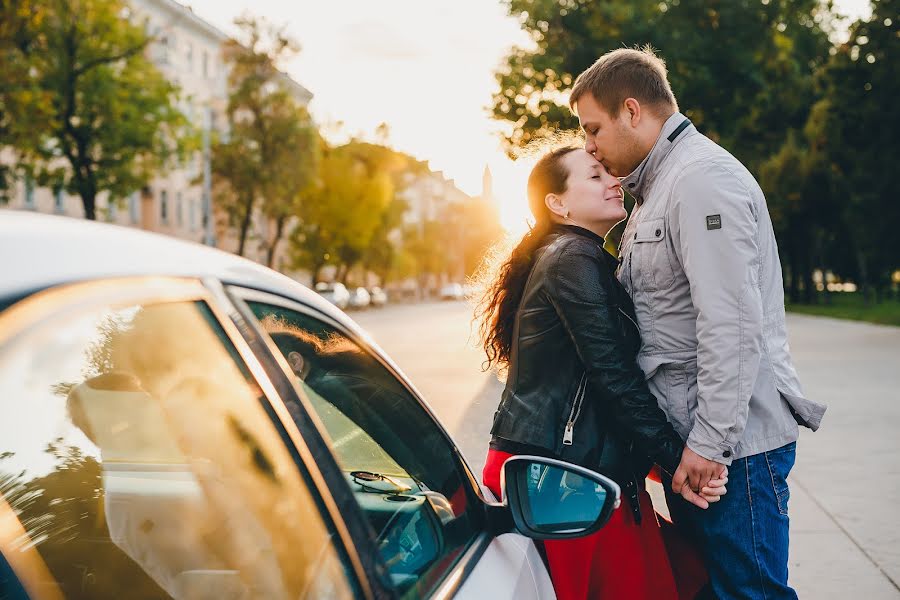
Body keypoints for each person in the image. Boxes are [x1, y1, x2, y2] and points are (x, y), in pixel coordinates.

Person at [569, 47, 828, 599]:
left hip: (735, 455)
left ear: (632, 111)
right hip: (700, 447)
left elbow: (731, 326)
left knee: (747, 594)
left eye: (593, 128)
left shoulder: (700, 182)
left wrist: (709, 446)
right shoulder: (659, 189)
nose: (588, 145)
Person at [476, 145, 726, 599]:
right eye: (595, 176)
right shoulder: (572, 259)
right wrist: (678, 461)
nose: (614, 181)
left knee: (686, 578)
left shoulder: (579, 256)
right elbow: (614, 377)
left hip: (574, 472)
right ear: (558, 204)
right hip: (564, 479)